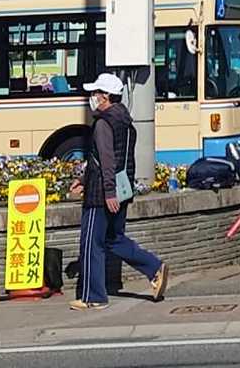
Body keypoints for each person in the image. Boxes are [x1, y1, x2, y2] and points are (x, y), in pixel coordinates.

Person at [68, 72, 170, 309]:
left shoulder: (103, 123)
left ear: (106, 96)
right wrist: (84, 179)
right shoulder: (125, 121)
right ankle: (154, 267)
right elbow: (114, 158)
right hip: (123, 188)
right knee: (114, 238)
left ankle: (94, 296)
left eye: (96, 92)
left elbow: (106, 159)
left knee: (92, 243)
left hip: (102, 194)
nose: (92, 97)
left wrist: (108, 191)